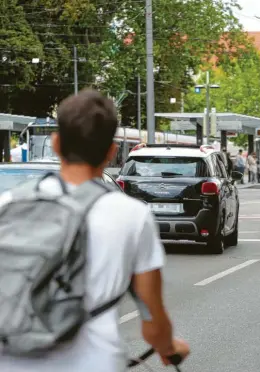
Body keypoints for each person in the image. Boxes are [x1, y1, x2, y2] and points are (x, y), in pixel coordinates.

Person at [0, 89, 190, 371]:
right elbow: (152, 319)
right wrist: (169, 348)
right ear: (112, 152)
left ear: (56, 143)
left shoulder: (9, 203)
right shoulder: (131, 215)